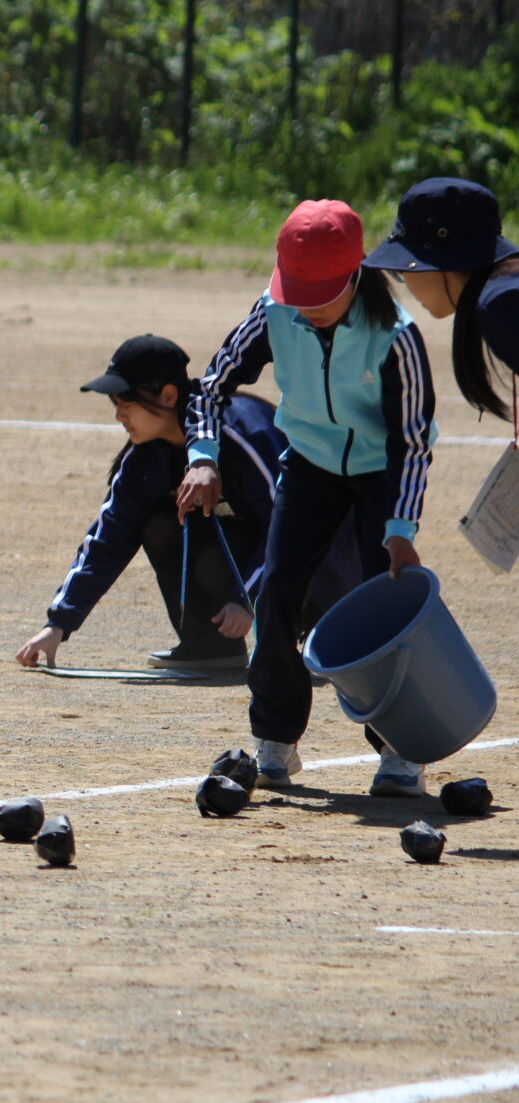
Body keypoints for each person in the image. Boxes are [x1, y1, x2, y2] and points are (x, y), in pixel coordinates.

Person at [177, 199, 438, 796]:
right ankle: (276, 740)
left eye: (320, 294)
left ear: (356, 276)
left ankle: (401, 750)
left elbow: (414, 441)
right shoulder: (276, 311)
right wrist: (202, 456)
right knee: (276, 599)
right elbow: (212, 385)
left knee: (385, 611)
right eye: (298, 291)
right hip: (311, 467)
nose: (307, 309)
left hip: (380, 475)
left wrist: (400, 528)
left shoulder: (396, 337)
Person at [15, 335, 280, 672]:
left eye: (126, 403)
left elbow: (289, 526)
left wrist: (246, 598)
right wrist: (58, 625)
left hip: (318, 560)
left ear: (168, 396)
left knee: (225, 561)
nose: (118, 416)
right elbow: (107, 539)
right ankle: (208, 647)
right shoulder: (145, 457)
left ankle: (308, 633)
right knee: (159, 526)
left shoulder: (242, 432)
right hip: (256, 558)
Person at [364, 177, 519, 419]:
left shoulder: (501, 303)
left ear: (440, 261)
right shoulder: (503, 290)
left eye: (401, 270)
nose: (406, 282)